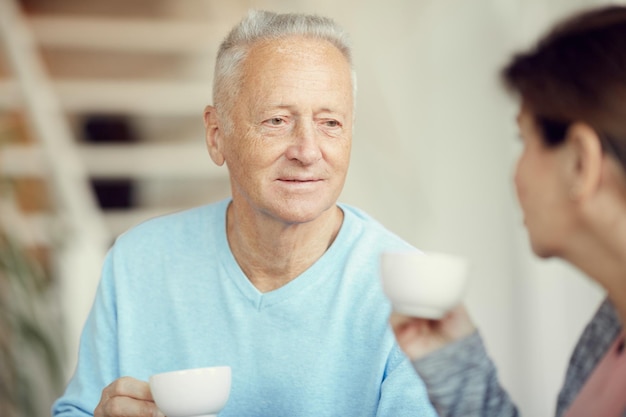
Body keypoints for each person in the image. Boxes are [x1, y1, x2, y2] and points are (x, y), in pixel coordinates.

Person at [52, 9, 437, 417]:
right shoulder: (136, 262)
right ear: (217, 136)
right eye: (276, 120)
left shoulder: (414, 292)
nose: (307, 151)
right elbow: (75, 410)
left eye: (330, 123)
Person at [390, 4, 626, 417]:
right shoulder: (611, 329)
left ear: (580, 164)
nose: (515, 175)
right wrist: (456, 364)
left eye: (524, 141)